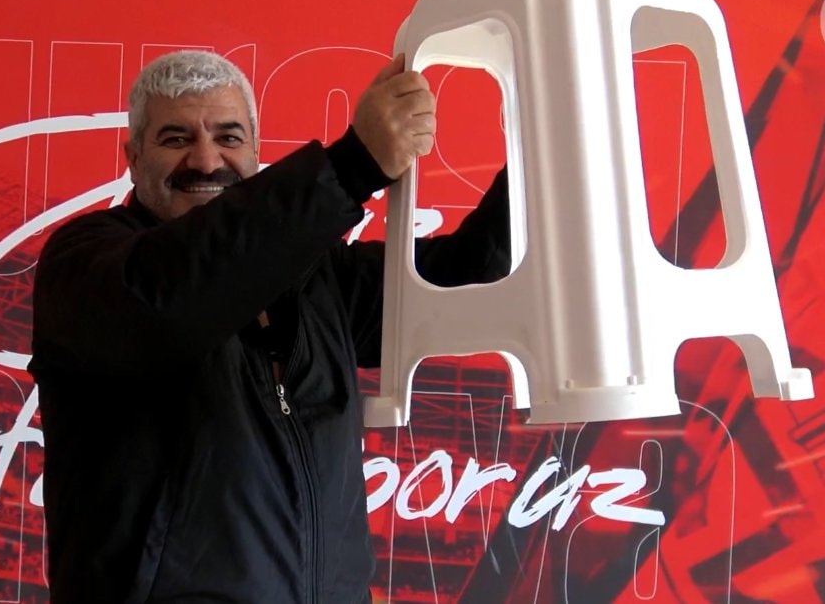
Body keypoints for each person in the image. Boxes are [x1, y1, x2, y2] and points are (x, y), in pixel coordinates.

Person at [29, 49, 510, 603]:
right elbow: (176, 296)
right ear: (133, 158)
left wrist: (543, 160)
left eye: (229, 138)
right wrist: (353, 165)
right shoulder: (86, 264)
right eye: (176, 138)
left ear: (257, 155)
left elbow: (468, 277)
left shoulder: (319, 276)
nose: (205, 160)